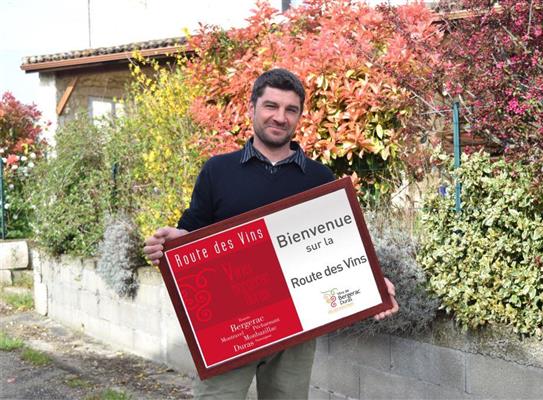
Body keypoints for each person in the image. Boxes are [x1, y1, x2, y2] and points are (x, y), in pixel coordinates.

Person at [143, 68, 398, 400]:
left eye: (290, 110)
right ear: (252, 109)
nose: (280, 117)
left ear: (299, 117)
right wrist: (172, 242)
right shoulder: (217, 171)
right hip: (230, 327)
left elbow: (339, 246)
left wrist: (374, 283)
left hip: (296, 326)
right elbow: (193, 229)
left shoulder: (320, 179)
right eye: (271, 106)